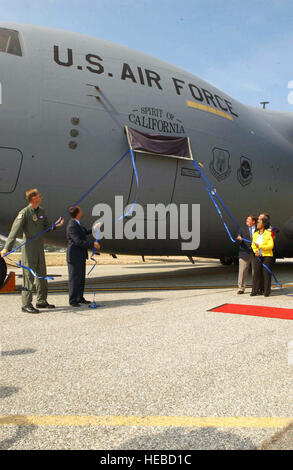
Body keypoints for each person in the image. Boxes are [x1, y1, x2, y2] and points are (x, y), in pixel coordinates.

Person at [0, 188, 64, 313]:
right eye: (39, 195)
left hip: (40, 248)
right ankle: (26, 304)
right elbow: (14, 231)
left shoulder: (42, 211)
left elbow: (46, 227)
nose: (41, 197)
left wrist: (56, 225)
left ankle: (41, 301)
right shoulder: (24, 213)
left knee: (42, 275)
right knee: (28, 277)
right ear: (33, 198)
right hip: (29, 250)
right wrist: (7, 248)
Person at [66, 206, 100, 307]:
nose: (82, 212)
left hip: (80, 255)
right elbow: (78, 241)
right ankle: (73, 300)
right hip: (74, 256)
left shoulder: (77, 223)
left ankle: (80, 297)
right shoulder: (72, 225)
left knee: (80, 278)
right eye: (80, 210)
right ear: (77, 213)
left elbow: (85, 232)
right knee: (74, 278)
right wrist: (92, 244)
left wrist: (94, 228)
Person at [251, 216, 274, 297]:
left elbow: (271, 246)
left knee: (266, 273)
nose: (257, 223)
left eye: (259, 222)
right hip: (257, 256)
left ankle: (266, 291)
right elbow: (253, 245)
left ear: (263, 224)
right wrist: (256, 251)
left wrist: (260, 246)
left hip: (267, 256)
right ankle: (254, 290)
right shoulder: (255, 234)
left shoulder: (269, 233)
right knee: (256, 273)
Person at [236, 215, 257, 294]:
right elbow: (238, 239)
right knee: (243, 271)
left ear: (253, 222)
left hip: (255, 253)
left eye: (249, 219)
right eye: (247, 219)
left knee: (255, 271)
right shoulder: (242, 229)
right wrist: (239, 239)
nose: (246, 220)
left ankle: (255, 287)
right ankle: (241, 288)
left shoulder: (258, 229)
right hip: (244, 253)